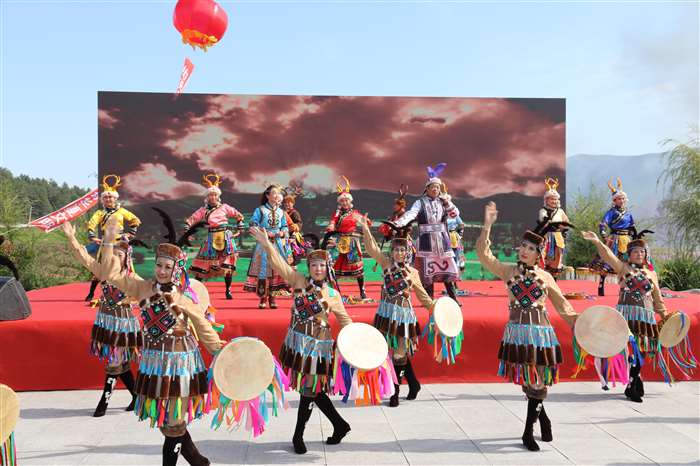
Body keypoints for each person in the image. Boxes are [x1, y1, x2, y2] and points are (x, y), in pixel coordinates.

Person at [98, 216, 224, 466]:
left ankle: (193, 461)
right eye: (159, 265)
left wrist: (221, 351)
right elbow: (110, 273)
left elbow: (204, 328)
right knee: (168, 422)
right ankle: (198, 461)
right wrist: (109, 241)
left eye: (167, 267)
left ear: (176, 270)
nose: (162, 271)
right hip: (155, 365)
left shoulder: (184, 299)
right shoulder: (143, 288)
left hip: (181, 366)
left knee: (173, 423)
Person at [477, 202, 578, 452]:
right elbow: (484, 255)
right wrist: (487, 226)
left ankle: (527, 432)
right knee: (531, 383)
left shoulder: (546, 277)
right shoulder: (509, 271)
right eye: (523, 246)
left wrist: (583, 325)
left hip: (541, 335)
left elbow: (564, 306)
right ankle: (544, 420)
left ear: (538, 254)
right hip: (518, 335)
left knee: (538, 382)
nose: (524, 250)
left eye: (531, 248)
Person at [249, 226, 353, 455]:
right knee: (312, 390)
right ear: (309, 267)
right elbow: (279, 264)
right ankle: (340, 425)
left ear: (328, 268)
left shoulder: (333, 295)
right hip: (298, 347)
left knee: (308, 390)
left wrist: (359, 344)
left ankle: (298, 435)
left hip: (318, 349)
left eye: (322, 265)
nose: (318, 269)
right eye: (314, 265)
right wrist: (267, 244)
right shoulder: (298, 281)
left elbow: (346, 322)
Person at [63, 221, 142, 417]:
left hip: (123, 326)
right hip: (106, 325)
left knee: (114, 362)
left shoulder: (133, 279)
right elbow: (82, 256)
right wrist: (71, 237)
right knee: (119, 362)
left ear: (127, 259)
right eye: (113, 254)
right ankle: (136, 396)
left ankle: (103, 403)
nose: (114, 258)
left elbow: (151, 295)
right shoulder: (103, 273)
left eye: (119, 255)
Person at [582, 230, 668, 402]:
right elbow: (607, 255)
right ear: (629, 255)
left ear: (646, 255)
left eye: (642, 252)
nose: (639, 254)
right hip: (625, 316)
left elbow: (658, 298)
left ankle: (634, 380)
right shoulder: (622, 268)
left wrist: (665, 315)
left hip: (645, 317)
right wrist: (597, 241)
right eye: (635, 252)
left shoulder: (652, 274)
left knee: (642, 350)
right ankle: (633, 382)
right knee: (629, 349)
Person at [358, 216, 435, 407]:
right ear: (391, 252)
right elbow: (372, 249)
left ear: (407, 252)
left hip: (403, 318)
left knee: (400, 354)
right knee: (388, 352)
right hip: (385, 316)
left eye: (403, 250)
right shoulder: (386, 264)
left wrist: (437, 311)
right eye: (396, 250)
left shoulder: (413, 273)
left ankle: (395, 391)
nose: (400, 253)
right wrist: (365, 229)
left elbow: (423, 296)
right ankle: (414, 384)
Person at [392, 164, 460, 302]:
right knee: (429, 274)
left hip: (442, 242)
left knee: (448, 272)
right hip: (427, 243)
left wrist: (447, 202)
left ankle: (453, 298)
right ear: (427, 189)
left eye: (437, 187)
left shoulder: (443, 202)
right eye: (433, 187)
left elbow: (454, 214)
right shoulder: (420, 202)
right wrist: (400, 222)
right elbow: (411, 214)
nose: (435, 189)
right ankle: (430, 300)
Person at [185, 173, 244, 300]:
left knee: (227, 264)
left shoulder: (225, 207)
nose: (213, 197)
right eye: (211, 195)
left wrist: (240, 226)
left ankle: (228, 290)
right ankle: (195, 291)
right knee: (203, 264)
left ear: (218, 196)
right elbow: (191, 219)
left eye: (215, 195)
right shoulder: (203, 210)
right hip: (211, 236)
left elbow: (238, 215)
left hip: (225, 237)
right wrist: (187, 229)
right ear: (207, 197)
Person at [84, 175, 140, 301]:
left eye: (110, 197)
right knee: (100, 268)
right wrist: (92, 237)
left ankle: (130, 291)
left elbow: (135, 220)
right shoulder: (100, 213)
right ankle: (91, 293)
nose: (108, 199)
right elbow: (91, 224)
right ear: (102, 200)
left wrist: (130, 233)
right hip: (106, 243)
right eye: (105, 197)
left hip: (120, 243)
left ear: (115, 198)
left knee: (126, 267)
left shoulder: (122, 211)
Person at [243, 184, 292, 309]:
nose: (277, 195)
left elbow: (285, 226)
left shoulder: (281, 212)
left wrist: (282, 233)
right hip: (264, 243)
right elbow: (252, 224)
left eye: (278, 193)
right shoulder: (260, 210)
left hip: (278, 244)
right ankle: (263, 298)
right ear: (267, 195)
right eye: (274, 193)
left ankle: (273, 298)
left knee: (276, 270)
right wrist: (264, 232)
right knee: (264, 270)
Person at [589, 178, 635, 296]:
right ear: (614, 201)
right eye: (619, 199)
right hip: (614, 239)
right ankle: (601, 284)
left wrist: (635, 237)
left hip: (626, 240)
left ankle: (624, 287)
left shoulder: (628, 213)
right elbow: (603, 223)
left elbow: (632, 227)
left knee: (626, 263)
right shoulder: (611, 212)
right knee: (608, 260)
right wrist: (604, 235)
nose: (621, 200)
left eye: (623, 198)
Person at [326, 176, 368, 299]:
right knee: (332, 263)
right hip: (339, 240)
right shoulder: (337, 213)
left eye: (346, 201)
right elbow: (333, 221)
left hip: (352, 241)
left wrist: (365, 221)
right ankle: (333, 291)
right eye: (342, 201)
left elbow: (365, 222)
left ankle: (362, 291)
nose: (344, 203)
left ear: (350, 201)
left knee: (356, 265)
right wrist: (331, 226)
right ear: (340, 202)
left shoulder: (355, 213)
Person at [537, 177, 571, 279]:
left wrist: (564, 229)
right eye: (552, 199)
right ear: (546, 200)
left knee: (558, 256)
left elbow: (566, 222)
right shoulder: (543, 211)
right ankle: (542, 278)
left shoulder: (560, 211)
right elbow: (543, 221)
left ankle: (554, 279)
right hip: (546, 236)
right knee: (543, 255)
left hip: (558, 236)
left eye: (555, 199)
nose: (554, 201)